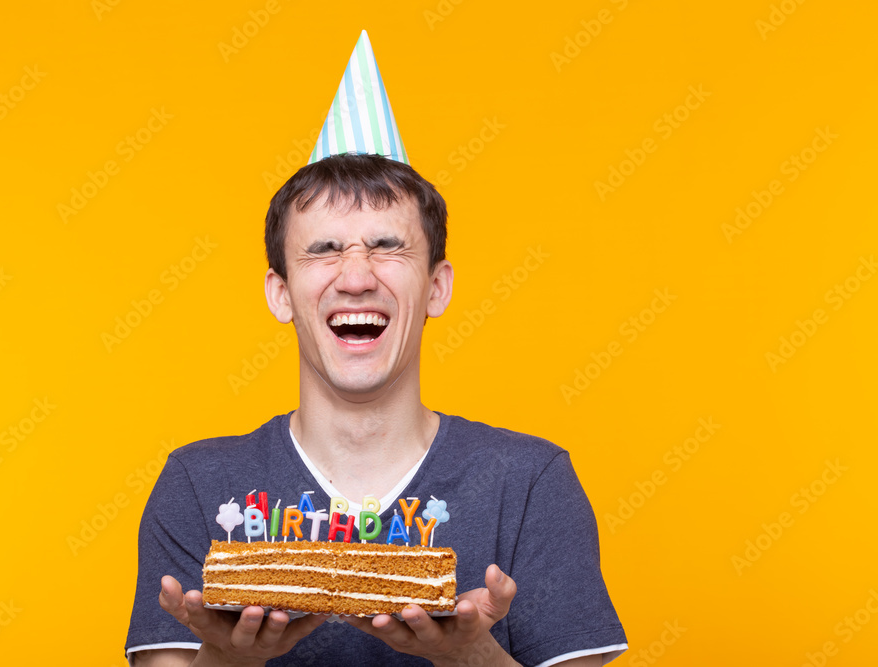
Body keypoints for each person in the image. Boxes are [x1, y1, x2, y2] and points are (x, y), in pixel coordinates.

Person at [126, 32, 627, 667]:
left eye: (387, 246)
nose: (357, 275)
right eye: (324, 249)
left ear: (437, 287)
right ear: (280, 294)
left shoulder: (529, 483)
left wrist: (473, 658)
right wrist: (227, 661)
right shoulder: (199, 483)